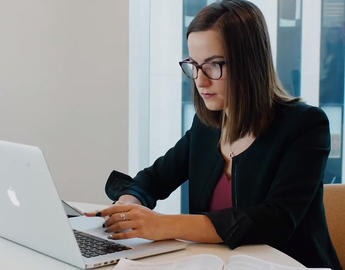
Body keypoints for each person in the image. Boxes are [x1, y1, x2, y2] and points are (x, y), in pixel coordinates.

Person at [86, 1, 342, 269]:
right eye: (194, 65)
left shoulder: (306, 125)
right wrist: (129, 204)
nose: (200, 80)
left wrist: (164, 224)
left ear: (250, 63)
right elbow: (153, 179)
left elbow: (274, 221)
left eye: (214, 65)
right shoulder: (207, 127)